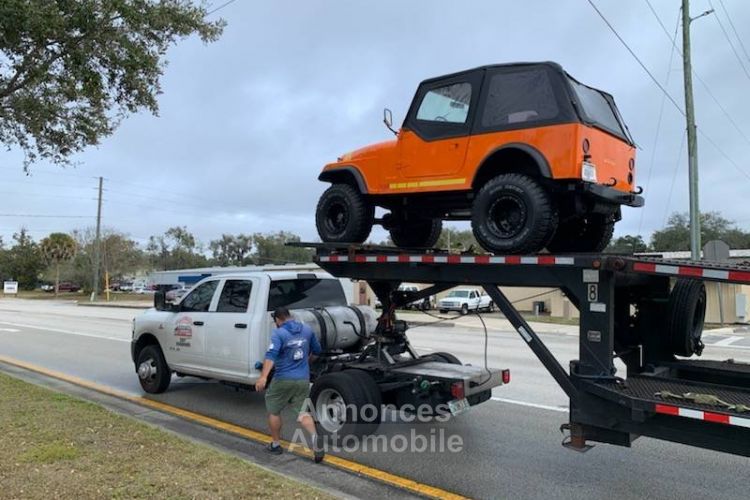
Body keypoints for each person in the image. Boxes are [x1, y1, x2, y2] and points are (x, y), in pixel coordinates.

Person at [255, 306, 324, 462]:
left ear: (278, 320)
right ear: (289, 316)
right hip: (302, 379)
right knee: (302, 413)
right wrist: (307, 362)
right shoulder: (307, 329)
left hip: (283, 379)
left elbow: (271, 355)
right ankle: (315, 440)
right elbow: (317, 350)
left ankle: (275, 444)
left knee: (274, 410)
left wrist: (263, 377)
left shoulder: (279, 333)